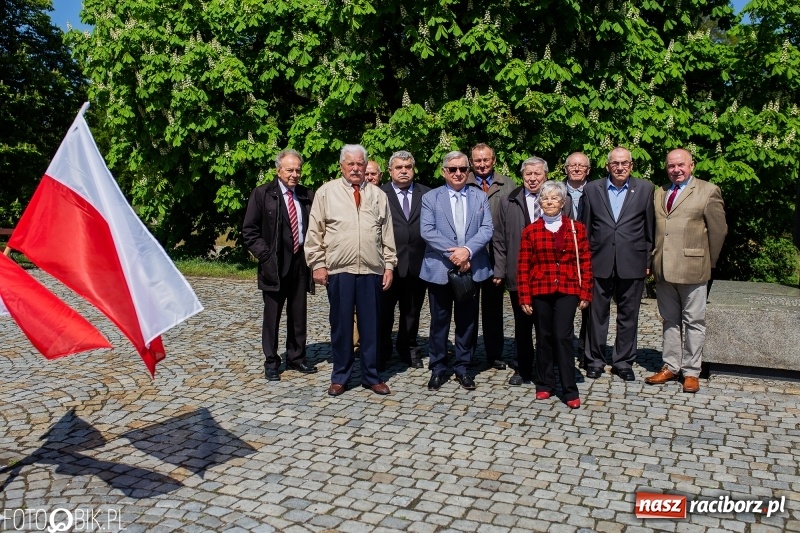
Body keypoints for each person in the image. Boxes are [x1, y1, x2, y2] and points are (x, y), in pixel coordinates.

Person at [304, 144, 397, 396]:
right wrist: (317, 264)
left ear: (366, 166)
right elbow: (315, 232)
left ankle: (371, 376)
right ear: (342, 165)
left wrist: (389, 265)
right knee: (342, 326)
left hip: (371, 269)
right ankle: (341, 377)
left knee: (371, 326)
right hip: (339, 270)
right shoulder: (326, 193)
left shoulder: (378, 195)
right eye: (351, 164)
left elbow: (387, 234)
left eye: (360, 164)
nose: (356, 168)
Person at [645, 149, 727, 393]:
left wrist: (708, 263)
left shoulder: (708, 191)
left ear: (692, 165)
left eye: (681, 165)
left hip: (693, 267)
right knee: (669, 320)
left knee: (694, 321)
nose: (676, 170)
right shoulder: (660, 192)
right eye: (671, 166)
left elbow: (718, 231)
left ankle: (691, 371)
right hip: (663, 268)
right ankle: (670, 366)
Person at [242, 149, 318, 381]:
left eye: (298, 170)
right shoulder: (263, 194)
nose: (294, 174)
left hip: (300, 263)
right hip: (273, 264)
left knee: (298, 314)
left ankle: (296, 357)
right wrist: (265, 256)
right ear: (278, 170)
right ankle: (272, 361)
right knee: (272, 316)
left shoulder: (307, 195)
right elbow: (249, 231)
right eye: (290, 170)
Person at [421, 151, 493, 391]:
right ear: (444, 172)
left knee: (467, 321)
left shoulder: (479, 196)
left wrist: (468, 252)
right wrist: (455, 254)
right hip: (440, 268)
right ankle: (438, 367)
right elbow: (428, 231)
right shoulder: (431, 197)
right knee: (439, 321)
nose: (458, 173)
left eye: (463, 169)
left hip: (471, 267)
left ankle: (463, 367)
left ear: (468, 171)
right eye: (453, 169)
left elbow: (486, 228)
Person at [581, 146, 654, 382]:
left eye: (624, 163)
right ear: (607, 166)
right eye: (615, 163)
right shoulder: (592, 189)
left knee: (629, 314)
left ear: (631, 166)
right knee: (596, 314)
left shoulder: (645, 189)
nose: (620, 167)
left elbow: (650, 229)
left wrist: (648, 260)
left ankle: (623, 361)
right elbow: (585, 227)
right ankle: (595, 360)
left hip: (632, 261)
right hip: (598, 260)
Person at [517, 180, 592, 408]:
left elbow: (586, 263)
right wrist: (524, 297)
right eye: (545, 198)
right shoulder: (530, 231)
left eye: (554, 198)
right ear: (540, 202)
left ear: (563, 202)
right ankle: (544, 384)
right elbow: (523, 266)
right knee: (544, 338)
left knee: (563, 337)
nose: (549, 202)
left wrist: (585, 293)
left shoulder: (576, 228)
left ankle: (570, 389)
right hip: (540, 289)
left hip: (568, 289)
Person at [492, 156, 551, 386]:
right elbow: (499, 238)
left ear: (545, 175)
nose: (533, 178)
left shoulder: (556, 198)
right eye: (529, 174)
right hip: (520, 272)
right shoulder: (510, 200)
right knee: (522, 325)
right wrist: (500, 269)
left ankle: (545, 368)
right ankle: (522, 368)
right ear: (522, 176)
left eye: (537, 174)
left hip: (548, 275)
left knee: (546, 326)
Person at [379, 151, 430, 369]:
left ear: (413, 169)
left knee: (411, 311)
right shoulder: (378, 194)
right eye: (398, 167)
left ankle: (407, 347)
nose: (403, 171)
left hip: (417, 263)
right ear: (390, 171)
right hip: (386, 264)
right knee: (383, 312)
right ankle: (381, 351)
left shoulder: (427, 194)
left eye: (408, 167)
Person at [467, 143, 516, 370]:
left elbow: (512, 224)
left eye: (486, 160)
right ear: (471, 162)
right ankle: (465, 354)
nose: (482, 164)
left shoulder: (508, 185)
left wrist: (504, 263)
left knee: (493, 309)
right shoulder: (461, 182)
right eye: (477, 160)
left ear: (494, 160)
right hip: (469, 256)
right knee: (466, 308)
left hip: (497, 256)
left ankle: (494, 353)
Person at [563, 152, 592, 368]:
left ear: (588, 170)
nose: (576, 168)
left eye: (581, 166)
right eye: (572, 165)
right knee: (562, 308)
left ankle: (585, 352)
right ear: (565, 168)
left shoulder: (596, 190)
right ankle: (562, 350)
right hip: (562, 257)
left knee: (589, 308)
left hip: (589, 255)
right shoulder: (555, 190)